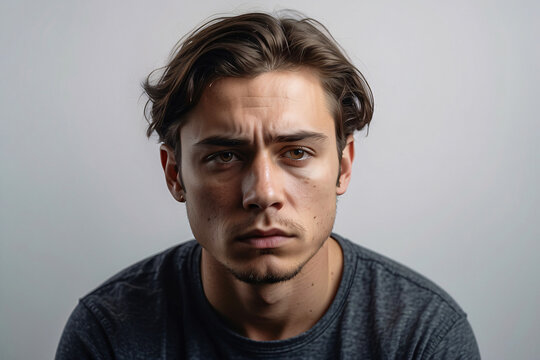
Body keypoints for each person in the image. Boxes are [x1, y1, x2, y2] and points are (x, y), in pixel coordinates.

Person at [56, 12, 480, 359]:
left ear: (344, 166)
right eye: (224, 156)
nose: (263, 193)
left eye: (296, 152)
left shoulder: (423, 338)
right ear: (174, 173)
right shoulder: (108, 335)